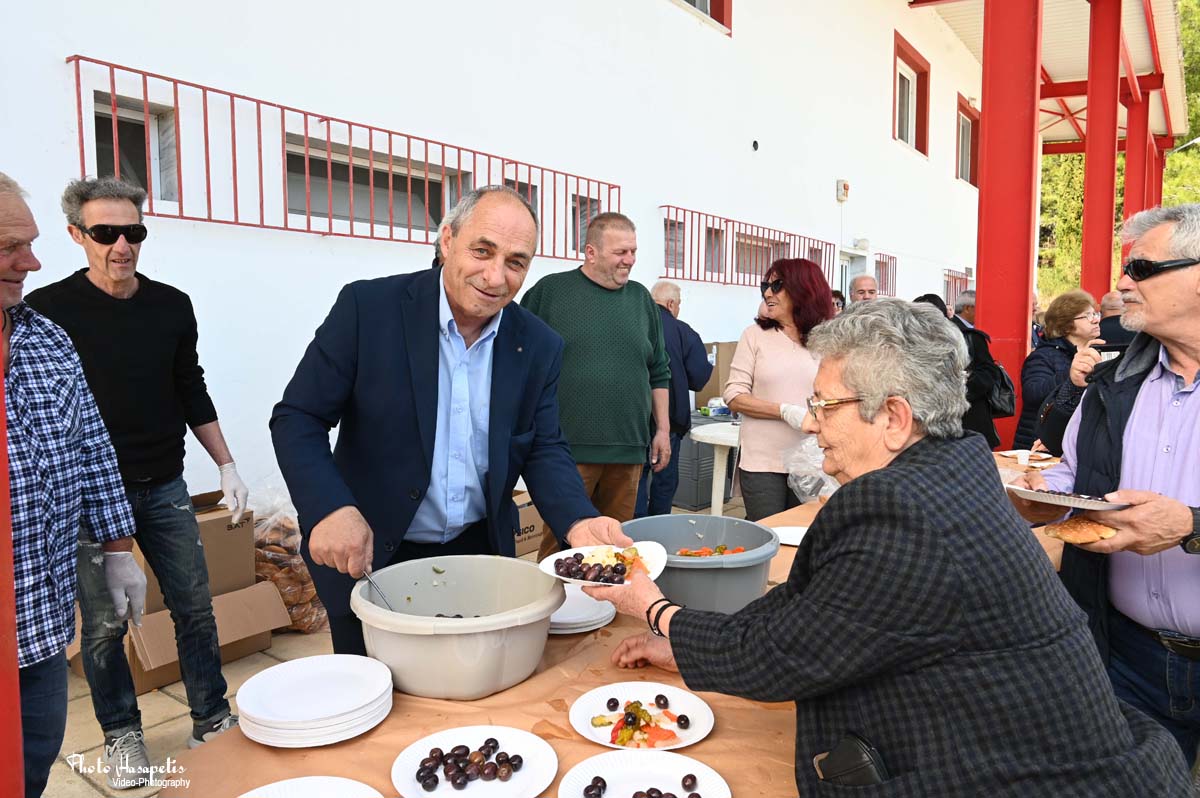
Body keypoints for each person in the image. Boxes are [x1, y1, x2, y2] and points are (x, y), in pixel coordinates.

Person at [587, 298, 1193, 796]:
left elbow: (787, 654)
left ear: (895, 419)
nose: (812, 422)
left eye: (825, 405)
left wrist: (654, 607)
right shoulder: (952, 469)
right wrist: (686, 643)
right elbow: (811, 611)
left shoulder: (903, 511)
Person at [271, 186, 630, 656]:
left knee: (477, 688)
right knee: (380, 693)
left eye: (516, 262)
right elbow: (298, 417)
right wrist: (330, 509)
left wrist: (579, 521)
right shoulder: (368, 309)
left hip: (478, 557)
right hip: (372, 555)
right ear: (447, 240)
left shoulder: (538, 345)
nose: (495, 277)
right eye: (482, 251)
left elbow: (543, 446)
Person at [24, 177, 246, 782]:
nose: (122, 246)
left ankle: (211, 717)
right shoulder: (47, 312)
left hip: (164, 484)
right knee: (103, 626)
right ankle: (122, 735)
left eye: (134, 232)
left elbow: (190, 386)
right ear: (77, 235)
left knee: (194, 606)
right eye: (105, 233)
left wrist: (226, 463)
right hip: (91, 498)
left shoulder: (171, 305)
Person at [1012, 204, 1200, 768]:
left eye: (1141, 268)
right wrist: (1041, 498)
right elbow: (1075, 475)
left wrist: (1191, 525)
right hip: (1129, 657)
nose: (1121, 285)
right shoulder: (1113, 382)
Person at [0, 172, 145, 798]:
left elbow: (90, 445)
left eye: (29, 245)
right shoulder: (65, 307)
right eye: (8, 247)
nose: (29, 263)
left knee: (32, 765)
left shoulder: (45, 338)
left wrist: (118, 548)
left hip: (40, 626)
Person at [520, 212, 671, 558]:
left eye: (633, 251)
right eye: (621, 252)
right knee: (558, 549)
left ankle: (607, 597)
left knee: (616, 548)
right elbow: (520, 359)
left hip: (629, 450)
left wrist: (662, 430)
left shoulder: (641, 300)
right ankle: (552, 597)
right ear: (591, 252)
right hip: (565, 451)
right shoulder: (550, 292)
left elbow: (659, 370)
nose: (630, 260)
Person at [723, 259, 831, 521]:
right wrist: (785, 411)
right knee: (769, 532)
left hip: (813, 459)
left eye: (777, 285)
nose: (767, 293)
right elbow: (734, 395)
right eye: (765, 286)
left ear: (803, 288)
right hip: (763, 461)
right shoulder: (755, 336)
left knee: (807, 532)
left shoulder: (828, 340)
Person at [634, 280, 712, 517]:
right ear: (670, 304)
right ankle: (658, 530)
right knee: (664, 481)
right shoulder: (684, 332)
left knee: (634, 480)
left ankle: (634, 530)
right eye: (679, 305)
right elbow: (698, 379)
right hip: (669, 420)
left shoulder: (633, 324)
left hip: (634, 420)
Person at [1012, 290, 1099, 450]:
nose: (1095, 320)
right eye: (1087, 316)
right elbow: (1033, 393)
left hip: (1075, 441)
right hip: (1040, 444)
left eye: (1095, 314)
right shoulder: (1044, 355)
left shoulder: (1097, 352)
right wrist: (1073, 374)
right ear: (1066, 325)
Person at [950, 289, 1000, 447]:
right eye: (979, 307)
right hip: (971, 415)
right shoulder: (970, 335)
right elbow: (988, 372)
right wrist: (965, 388)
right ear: (967, 308)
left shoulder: (947, 329)